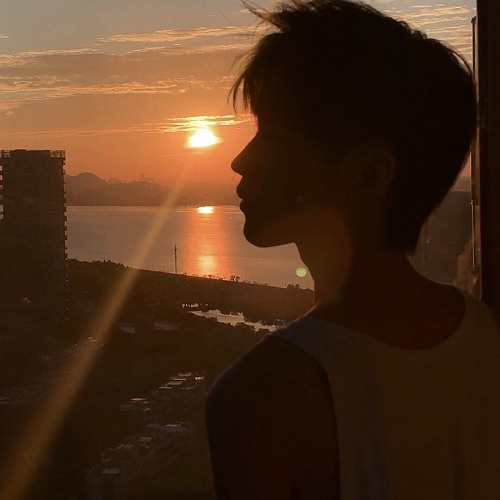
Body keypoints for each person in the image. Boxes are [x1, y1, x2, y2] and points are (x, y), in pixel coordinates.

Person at [205, 1, 500, 498]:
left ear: (368, 174)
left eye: (272, 137)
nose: (240, 160)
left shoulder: (263, 397)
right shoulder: (485, 337)